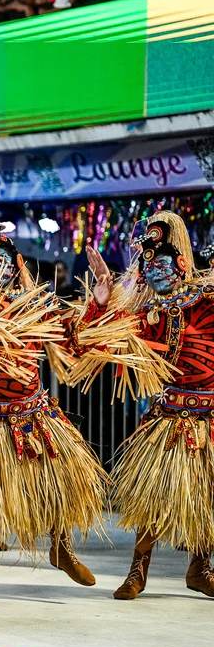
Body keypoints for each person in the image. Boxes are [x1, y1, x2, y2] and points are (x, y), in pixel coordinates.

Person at [0, 225, 111, 604]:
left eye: (3, 262)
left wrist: (97, 302)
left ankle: (61, 547)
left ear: (16, 267)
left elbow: (73, 340)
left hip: (34, 416)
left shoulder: (36, 307)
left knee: (61, 485)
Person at [105, 212, 214, 601]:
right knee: (153, 495)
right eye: (147, 264)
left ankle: (201, 568)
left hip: (211, 416)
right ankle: (138, 570)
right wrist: (104, 303)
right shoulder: (151, 313)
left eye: (162, 262)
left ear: (182, 263)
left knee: (207, 495)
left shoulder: (206, 297)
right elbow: (113, 339)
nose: (154, 270)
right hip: (170, 417)